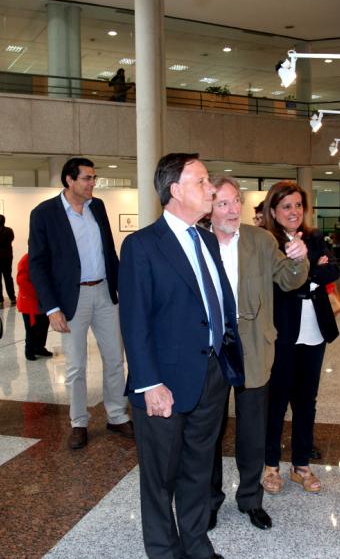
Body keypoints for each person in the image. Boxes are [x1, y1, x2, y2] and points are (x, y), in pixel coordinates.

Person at [119, 153, 244, 559]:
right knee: (159, 477)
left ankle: (195, 541)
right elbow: (134, 323)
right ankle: (163, 550)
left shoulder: (205, 238)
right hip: (163, 382)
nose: (212, 189)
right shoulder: (142, 245)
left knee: (198, 468)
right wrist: (149, 383)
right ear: (175, 191)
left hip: (210, 375)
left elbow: (217, 304)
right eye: (202, 181)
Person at [207, 176, 309, 532]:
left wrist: (298, 259)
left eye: (236, 201)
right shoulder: (198, 242)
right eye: (223, 203)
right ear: (209, 207)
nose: (233, 209)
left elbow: (288, 279)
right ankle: (209, 501)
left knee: (252, 429)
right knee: (209, 430)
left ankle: (250, 499)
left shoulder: (261, 240)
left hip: (253, 345)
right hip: (212, 348)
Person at [28, 157, 132, 450]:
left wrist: (121, 287)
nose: (92, 184)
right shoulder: (44, 214)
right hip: (70, 299)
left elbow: (108, 251)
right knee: (75, 367)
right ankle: (79, 422)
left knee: (115, 358)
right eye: (87, 178)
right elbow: (38, 264)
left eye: (94, 178)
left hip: (104, 293)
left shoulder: (96, 207)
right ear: (69, 180)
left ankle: (116, 415)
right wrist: (51, 308)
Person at [261, 181, 340, 495]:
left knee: (307, 402)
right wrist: (310, 276)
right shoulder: (268, 242)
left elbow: (332, 270)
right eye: (286, 206)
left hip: (314, 331)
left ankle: (300, 466)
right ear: (273, 211)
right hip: (283, 332)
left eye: (297, 205)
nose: (293, 212)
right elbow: (278, 284)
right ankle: (270, 466)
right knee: (277, 402)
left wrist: (306, 277)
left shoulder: (315, 236)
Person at [15, 253, 52, 360]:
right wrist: (39, 292)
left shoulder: (45, 258)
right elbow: (22, 281)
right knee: (31, 328)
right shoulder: (25, 260)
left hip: (43, 299)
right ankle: (29, 350)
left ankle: (40, 347)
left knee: (44, 325)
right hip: (29, 301)